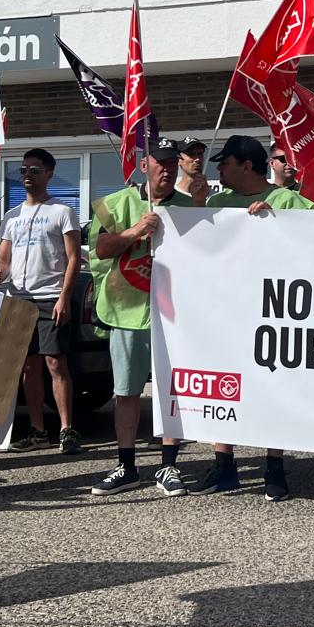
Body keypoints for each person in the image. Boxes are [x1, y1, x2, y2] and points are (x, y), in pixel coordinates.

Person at [196, 134, 314, 501]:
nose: (218, 168)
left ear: (246, 166)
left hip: (271, 310)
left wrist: (279, 220)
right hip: (225, 308)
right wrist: (198, 204)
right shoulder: (217, 201)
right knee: (224, 382)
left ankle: (274, 466)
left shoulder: (284, 199)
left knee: (272, 386)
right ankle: (223, 465)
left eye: (225, 163)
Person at [88, 136, 194, 497]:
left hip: (174, 315)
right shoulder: (117, 204)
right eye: (159, 161)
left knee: (171, 391)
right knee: (127, 392)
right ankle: (126, 465)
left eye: (172, 162)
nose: (166, 168)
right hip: (127, 313)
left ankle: (169, 464)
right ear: (144, 164)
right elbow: (100, 249)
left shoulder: (190, 206)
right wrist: (135, 231)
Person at [0, 149, 83, 454]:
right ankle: (37, 430)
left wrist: (64, 297)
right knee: (28, 368)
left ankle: (67, 429)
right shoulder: (11, 216)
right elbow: (4, 259)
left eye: (34, 170)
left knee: (56, 363)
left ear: (49, 173)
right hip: (19, 300)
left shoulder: (62, 211)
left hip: (49, 298)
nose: (28, 175)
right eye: (23, 170)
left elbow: (73, 259)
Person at [175, 137, 211, 204]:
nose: (197, 159)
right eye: (191, 154)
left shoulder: (214, 198)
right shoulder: (171, 196)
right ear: (178, 160)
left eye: (200, 154)